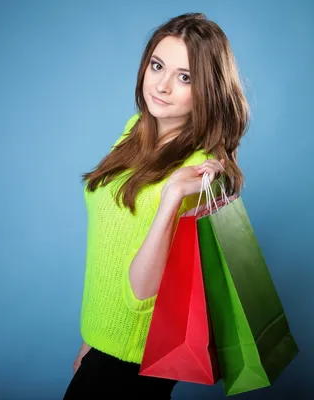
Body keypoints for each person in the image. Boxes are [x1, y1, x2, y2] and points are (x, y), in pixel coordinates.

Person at [63, 12, 249, 400]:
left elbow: (146, 293)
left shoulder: (197, 173)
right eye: (157, 65)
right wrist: (91, 340)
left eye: (185, 77)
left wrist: (169, 202)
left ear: (208, 88)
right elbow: (110, 249)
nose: (162, 86)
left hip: (134, 361)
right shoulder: (136, 130)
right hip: (105, 345)